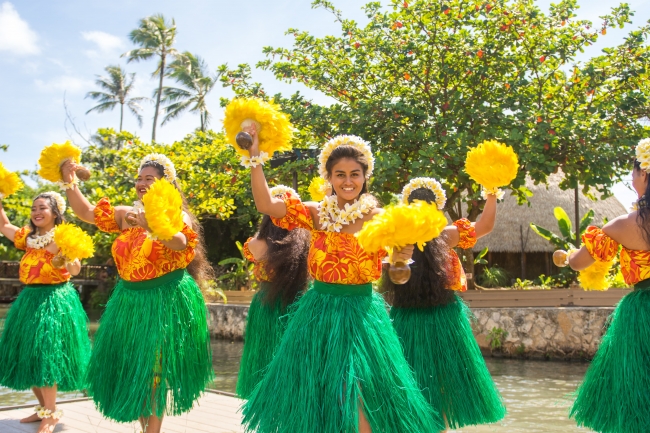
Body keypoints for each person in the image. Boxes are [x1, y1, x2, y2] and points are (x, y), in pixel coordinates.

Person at [241, 130, 444, 433]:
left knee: (361, 394)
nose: (348, 181)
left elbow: (400, 274)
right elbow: (266, 205)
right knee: (321, 397)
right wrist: (255, 158)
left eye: (355, 174)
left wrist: (402, 258)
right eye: (340, 175)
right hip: (318, 313)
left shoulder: (383, 218)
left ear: (365, 177)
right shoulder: (315, 213)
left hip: (363, 315)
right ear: (330, 177)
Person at [60, 153, 213, 433]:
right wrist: (70, 182)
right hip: (129, 302)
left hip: (163, 302)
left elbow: (180, 243)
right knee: (135, 370)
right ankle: (145, 429)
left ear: (166, 183)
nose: (141, 183)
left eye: (149, 178)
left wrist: (153, 225)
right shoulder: (125, 214)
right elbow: (86, 213)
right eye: (139, 178)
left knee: (154, 373)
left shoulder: (176, 215)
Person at [381, 177, 505, 431]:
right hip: (419, 320)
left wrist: (492, 190)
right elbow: (485, 224)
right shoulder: (399, 241)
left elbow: (485, 225)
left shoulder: (441, 236)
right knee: (430, 387)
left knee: (427, 385)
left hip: (433, 320)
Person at [565, 141, 650, 433]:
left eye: (634, 174)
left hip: (643, 314)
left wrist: (569, 257)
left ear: (645, 176)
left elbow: (578, 263)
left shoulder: (626, 225)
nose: (631, 179)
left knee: (638, 392)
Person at [0, 191, 90, 433]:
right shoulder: (27, 238)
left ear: (54, 213)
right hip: (29, 298)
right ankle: (42, 410)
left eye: (42, 208)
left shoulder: (63, 236)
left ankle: (51, 414)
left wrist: (65, 255)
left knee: (46, 355)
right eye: (33, 208)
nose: (37, 212)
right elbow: (4, 225)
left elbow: (76, 269)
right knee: (29, 354)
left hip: (54, 299)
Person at [236, 185, 310, 399]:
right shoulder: (305, 242)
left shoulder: (255, 244)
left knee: (263, 362)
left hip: (265, 306)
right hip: (297, 305)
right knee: (293, 366)